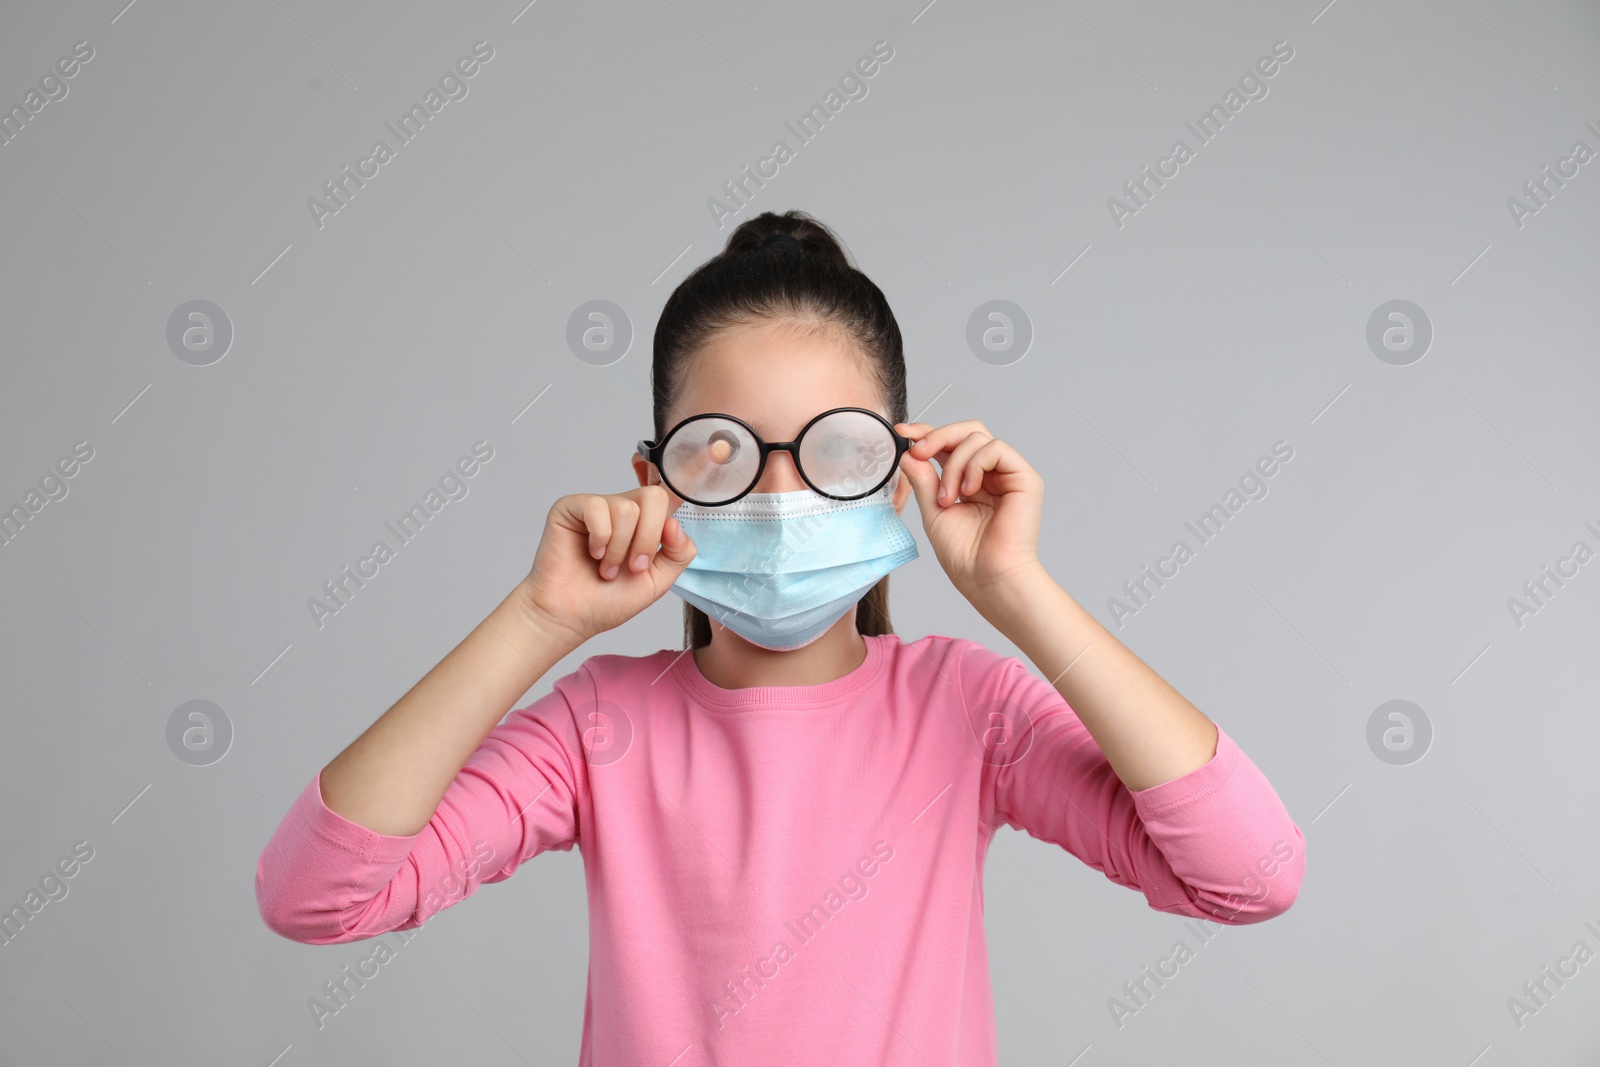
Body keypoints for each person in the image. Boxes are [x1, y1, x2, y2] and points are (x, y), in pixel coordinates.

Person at [256, 209, 1304, 1064]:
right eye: (721, 449)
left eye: (833, 448)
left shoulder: (965, 710)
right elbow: (313, 898)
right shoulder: (599, 725)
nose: (776, 488)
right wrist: (539, 619)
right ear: (655, 476)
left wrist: (1016, 589)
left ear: (903, 470)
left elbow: (1249, 873)